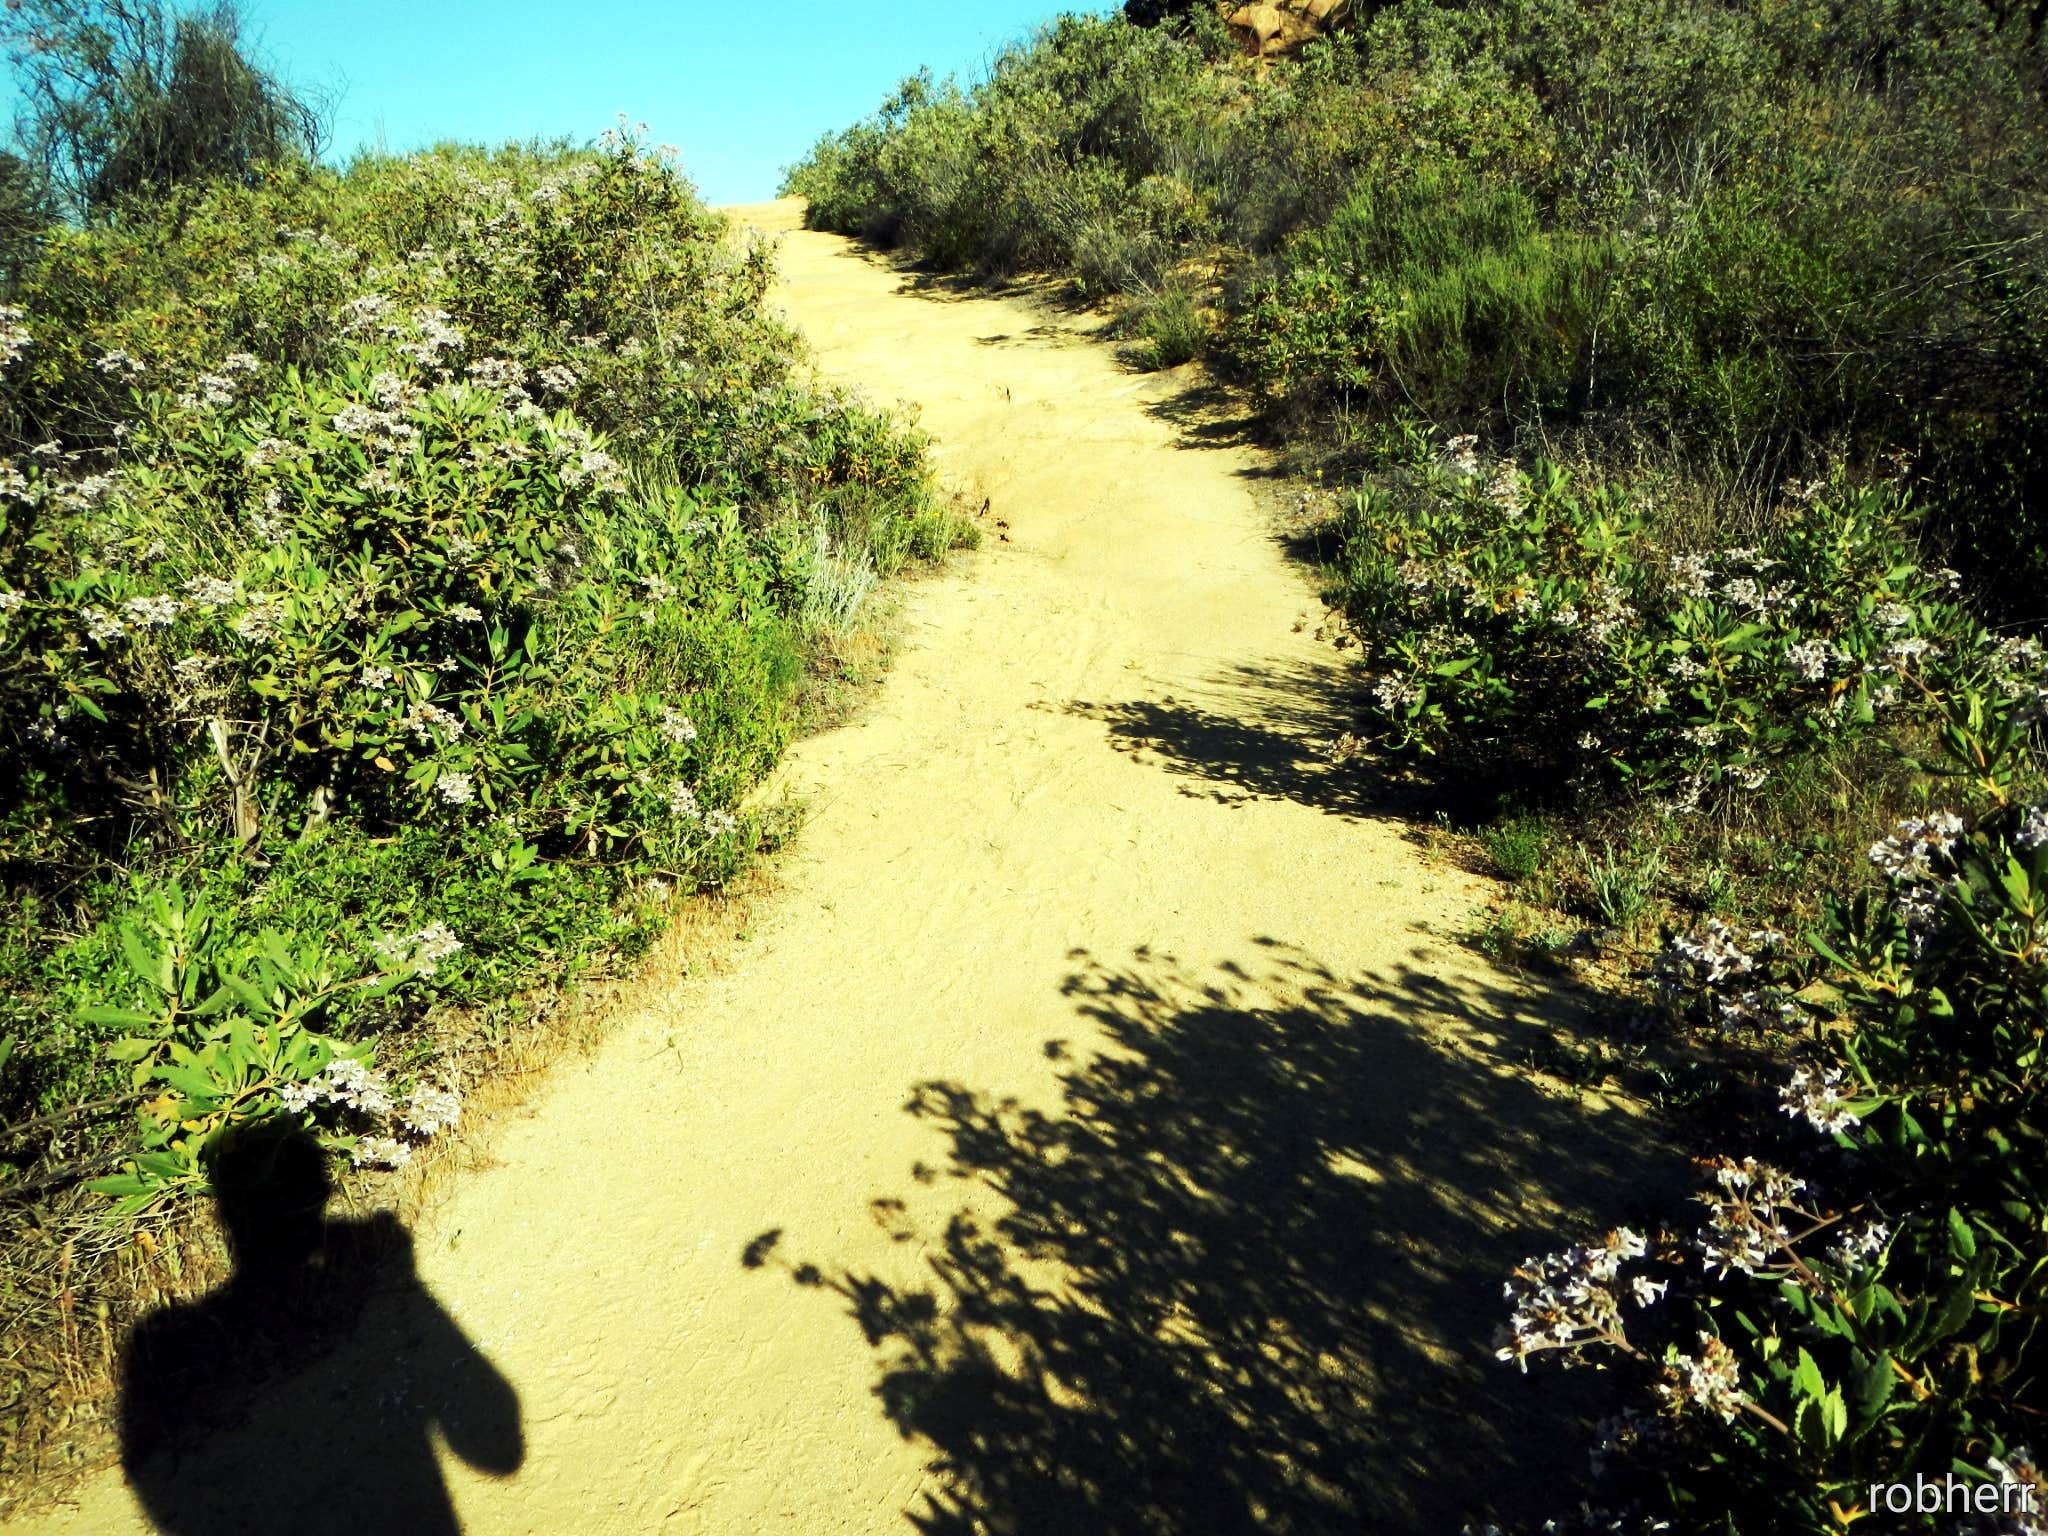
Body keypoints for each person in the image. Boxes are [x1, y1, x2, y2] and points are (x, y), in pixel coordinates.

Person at [118, 1123, 522, 1535]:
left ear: (223, 1214)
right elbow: (498, 1452)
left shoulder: (166, 1341)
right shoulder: (374, 1282)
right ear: (323, 1196)